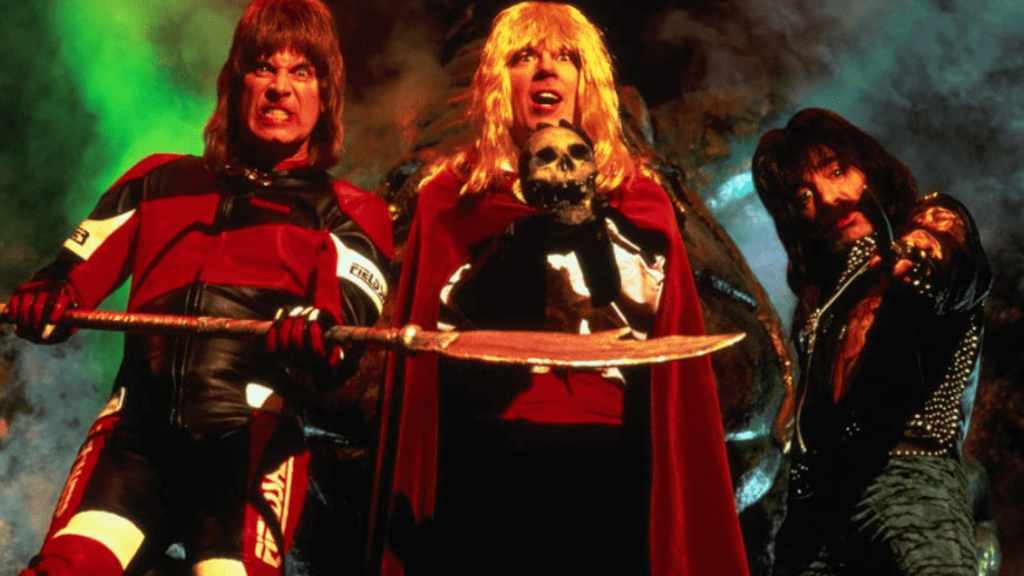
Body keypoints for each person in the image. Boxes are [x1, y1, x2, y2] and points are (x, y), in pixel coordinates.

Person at [4, 1, 393, 575]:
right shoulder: (156, 180)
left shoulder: (351, 211)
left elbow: (342, 330)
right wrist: (46, 297)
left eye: (301, 72)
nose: (280, 88)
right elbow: (66, 278)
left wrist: (318, 336)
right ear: (236, 82)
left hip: (251, 446)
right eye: (263, 67)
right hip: (134, 440)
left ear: (326, 93)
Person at [369, 3, 748, 575]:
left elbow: (671, 358)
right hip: (485, 460)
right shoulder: (449, 198)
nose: (547, 69)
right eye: (525, 57)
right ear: (499, 82)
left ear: (585, 82)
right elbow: (428, 359)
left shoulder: (640, 199)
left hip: (611, 461)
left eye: (565, 58)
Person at [752, 108, 991, 575]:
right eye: (804, 195)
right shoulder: (822, 301)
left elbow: (949, 255)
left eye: (836, 171)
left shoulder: (925, 225)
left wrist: (920, 257)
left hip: (909, 484)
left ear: (871, 168)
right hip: (817, 516)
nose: (828, 198)